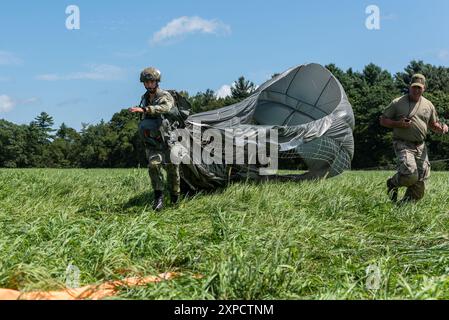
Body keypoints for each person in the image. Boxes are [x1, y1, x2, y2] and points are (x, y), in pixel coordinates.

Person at [380, 73, 448, 203]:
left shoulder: (429, 105)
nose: (416, 90)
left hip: (420, 146)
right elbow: (383, 120)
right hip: (402, 143)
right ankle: (392, 183)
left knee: (420, 182)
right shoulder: (397, 102)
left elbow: (433, 124)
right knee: (410, 174)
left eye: (419, 88)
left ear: (424, 88)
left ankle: (403, 206)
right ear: (409, 87)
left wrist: (441, 128)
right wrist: (397, 124)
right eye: (414, 87)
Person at [129, 67, 180, 211]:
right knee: (153, 166)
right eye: (146, 82)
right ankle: (158, 198)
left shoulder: (165, 95)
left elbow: (165, 108)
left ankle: (175, 198)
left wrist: (145, 110)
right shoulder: (144, 98)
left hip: (168, 138)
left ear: (157, 81)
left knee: (172, 169)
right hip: (152, 140)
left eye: (151, 81)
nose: (149, 84)